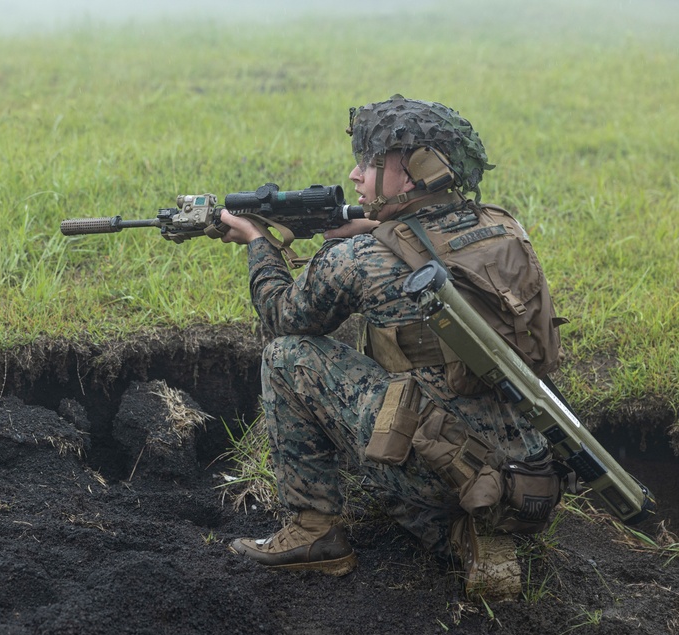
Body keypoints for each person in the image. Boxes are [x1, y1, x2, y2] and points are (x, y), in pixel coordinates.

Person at [219, 94, 564, 599]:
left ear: (415, 171)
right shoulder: (505, 227)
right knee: (411, 462)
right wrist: (382, 227)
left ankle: (315, 533)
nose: (356, 176)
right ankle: (468, 535)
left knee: (288, 356)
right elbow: (431, 242)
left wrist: (258, 244)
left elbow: (280, 316)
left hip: (438, 465)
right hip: (526, 465)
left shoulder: (363, 257)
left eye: (371, 163)